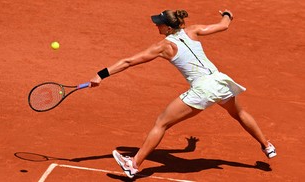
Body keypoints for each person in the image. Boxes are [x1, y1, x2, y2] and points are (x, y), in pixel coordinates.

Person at [89, 9, 277, 178]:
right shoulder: (193, 30)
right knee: (239, 113)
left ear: (168, 27)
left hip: (202, 89)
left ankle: (133, 164)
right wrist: (227, 15)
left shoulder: (163, 47)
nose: (156, 25)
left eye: (159, 23)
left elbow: (128, 62)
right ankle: (267, 146)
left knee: (161, 123)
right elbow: (223, 26)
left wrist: (100, 75)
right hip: (220, 82)